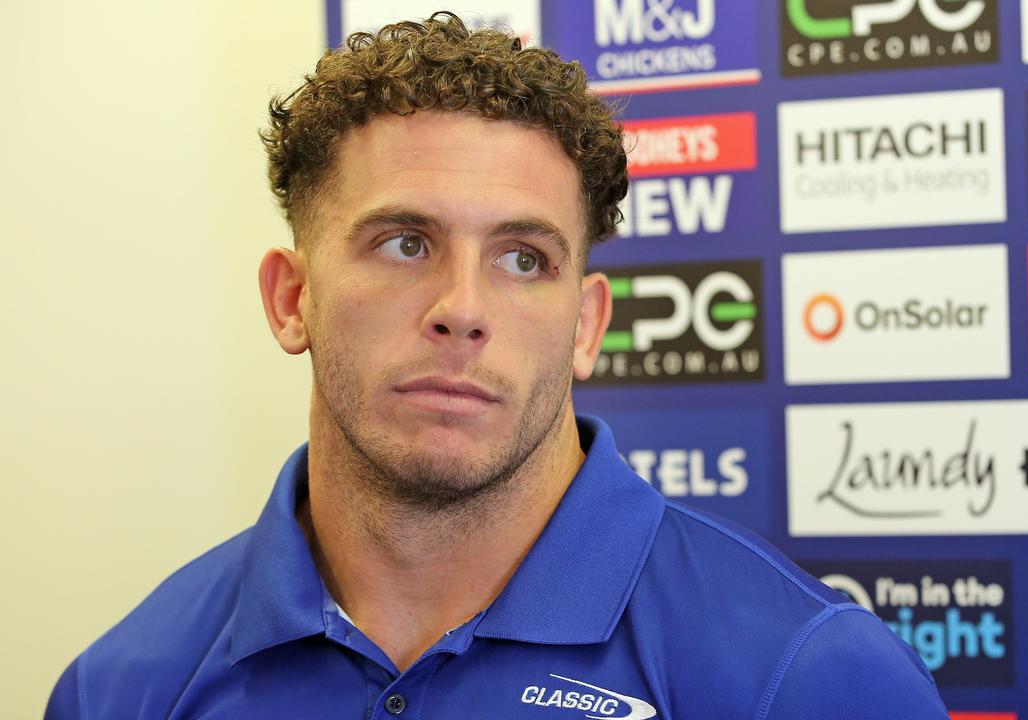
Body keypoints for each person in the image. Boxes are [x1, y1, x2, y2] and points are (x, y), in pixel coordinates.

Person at [46, 13, 947, 719]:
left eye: (524, 259)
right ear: (292, 301)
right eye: (405, 243)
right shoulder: (123, 687)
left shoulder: (805, 675)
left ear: (588, 325)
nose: (464, 309)